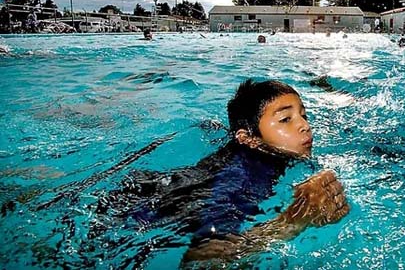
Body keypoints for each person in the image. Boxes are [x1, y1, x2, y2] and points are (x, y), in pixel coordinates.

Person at [91, 79, 349, 268]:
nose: (304, 125)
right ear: (248, 139)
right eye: (285, 120)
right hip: (120, 225)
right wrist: (293, 221)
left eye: (304, 115)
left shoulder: (265, 160)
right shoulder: (241, 177)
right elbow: (204, 261)